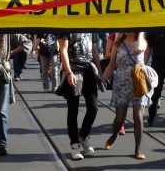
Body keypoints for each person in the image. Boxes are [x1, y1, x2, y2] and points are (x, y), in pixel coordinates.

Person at [102, 32, 150, 160]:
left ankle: (138, 149)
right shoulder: (118, 44)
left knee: (138, 116)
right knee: (120, 118)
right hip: (121, 84)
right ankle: (114, 135)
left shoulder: (142, 41)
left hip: (138, 84)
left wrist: (140, 33)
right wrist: (102, 80)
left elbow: (139, 49)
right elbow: (111, 65)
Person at [58, 32, 101, 160]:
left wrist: (100, 71)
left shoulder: (90, 26)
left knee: (93, 108)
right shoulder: (66, 27)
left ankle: (83, 135)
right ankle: (74, 144)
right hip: (73, 70)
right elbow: (63, 50)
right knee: (73, 109)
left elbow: (94, 50)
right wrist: (69, 72)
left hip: (89, 70)